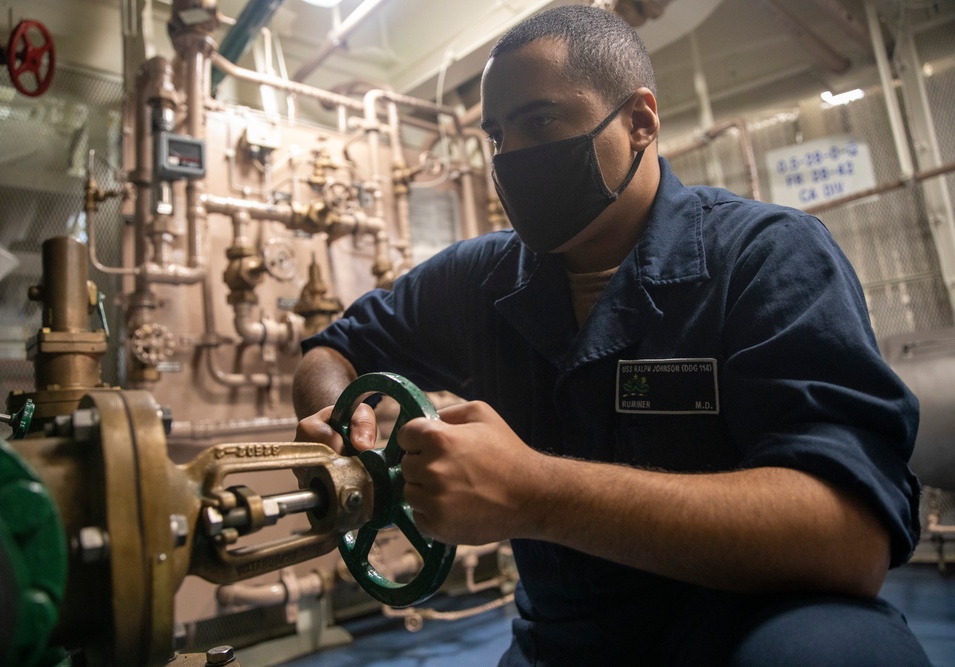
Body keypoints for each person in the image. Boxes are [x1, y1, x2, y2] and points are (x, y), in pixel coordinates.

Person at [293, 5, 929, 665]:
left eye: (539, 122)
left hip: (750, 630)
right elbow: (333, 347)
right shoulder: (476, 279)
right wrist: (336, 421)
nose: (511, 157)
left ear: (640, 121)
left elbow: (848, 539)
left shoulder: (766, 257)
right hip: (562, 643)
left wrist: (536, 492)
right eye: (496, 135)